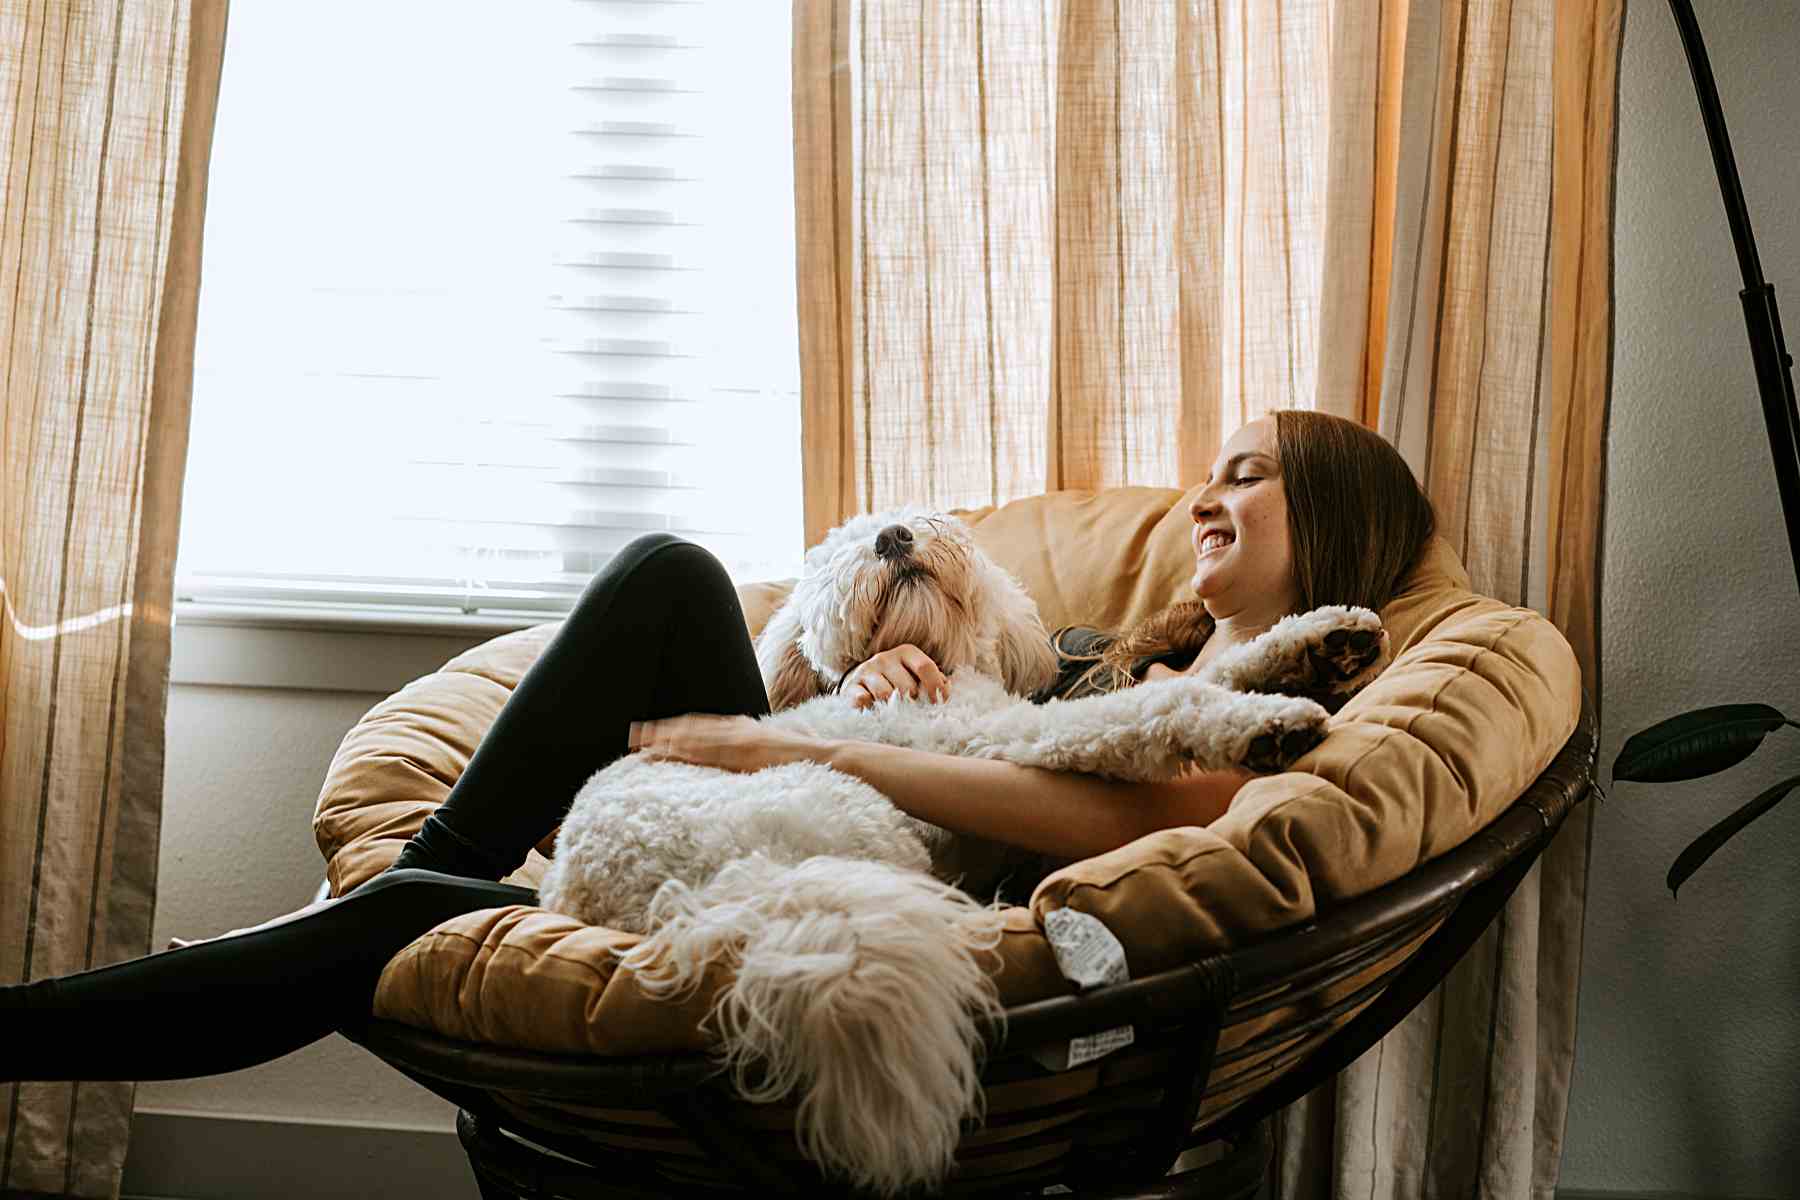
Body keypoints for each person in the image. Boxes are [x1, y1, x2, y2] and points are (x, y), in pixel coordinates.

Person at [0, 409, 1436, 1083]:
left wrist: (819, 755)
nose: (1206, 492)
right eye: (1212, 470)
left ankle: (395, 896)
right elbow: (978, 703)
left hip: (866, 864)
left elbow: (1111, 827)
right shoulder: (1108, 647)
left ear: (1338, 533)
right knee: (672, 577)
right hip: (792, 805)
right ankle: (439, 871)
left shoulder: (1281, 691)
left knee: (400, 924)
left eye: (1250, 478)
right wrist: (854, 694)